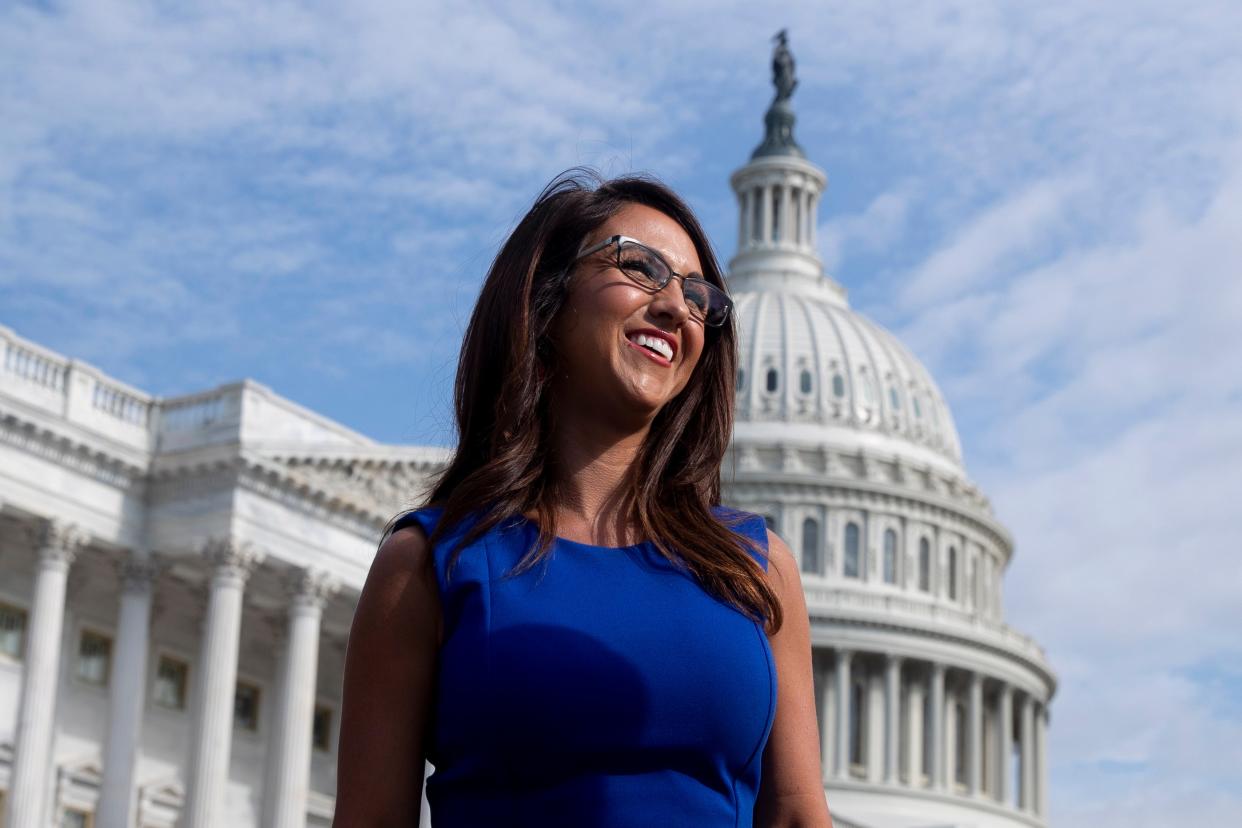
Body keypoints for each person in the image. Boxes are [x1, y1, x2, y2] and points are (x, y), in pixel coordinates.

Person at [333, 170, 833, 827]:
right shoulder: (429, 567)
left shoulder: (756, 568)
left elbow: (797, 816)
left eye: (697, 295)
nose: (675, 306)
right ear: (546, 300)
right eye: (640, 266)